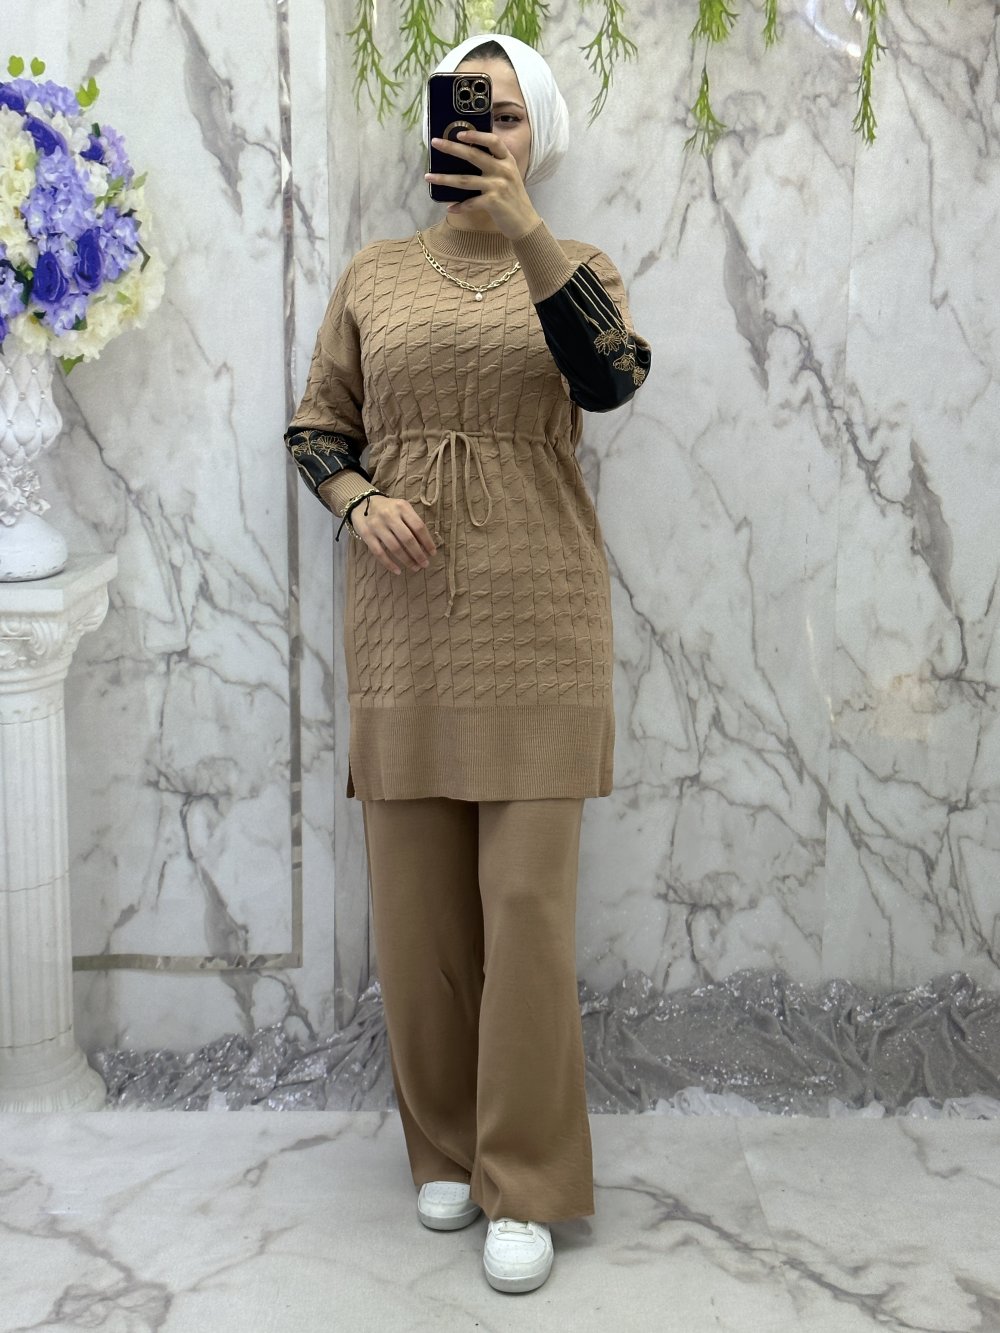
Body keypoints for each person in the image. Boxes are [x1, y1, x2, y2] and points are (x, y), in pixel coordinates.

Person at [284, 32, 650, 1296]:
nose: (482, 129)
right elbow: (317, 424)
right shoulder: (372, 274)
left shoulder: (579, 266)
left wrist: (528, 229)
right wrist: (356, 499)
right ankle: (442, 1147)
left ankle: (527, 1179)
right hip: (403, 618)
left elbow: (609, 380)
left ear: (537, 131)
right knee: (419, 914)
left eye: (505, 113)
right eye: (464, 108)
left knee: (528, 913)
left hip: (540, 615)